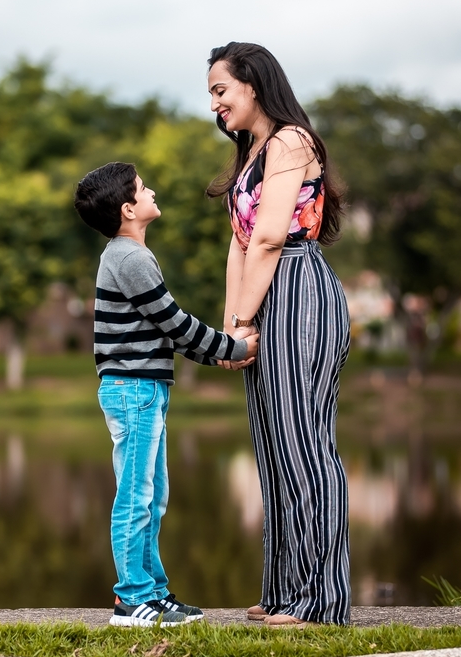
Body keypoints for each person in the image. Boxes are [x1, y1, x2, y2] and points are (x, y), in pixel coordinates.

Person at [74, 161, 259, 627]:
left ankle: (153, 592)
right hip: (133, 391)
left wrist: (216, 356)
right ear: (128, 208)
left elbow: (165, 333)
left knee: (152, 496)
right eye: (142, 188)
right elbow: (174, 322)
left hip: (144, 389)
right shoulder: (130, 258)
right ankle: (130, 599)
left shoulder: (127, 254)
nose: (151, 191)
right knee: (135, 496)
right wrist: (231, 348)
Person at [206, 41, 351, 627]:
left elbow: (269, 239)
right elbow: (238, 247)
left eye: (221, 91)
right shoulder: (252, 154)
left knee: (304, 447)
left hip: (298, 288)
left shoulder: (292, 141)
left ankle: (321, 601)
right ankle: (285, 592)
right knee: (272, 449)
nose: (215, 105)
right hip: (264, 296)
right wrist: (231, 329)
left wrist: (244, 319)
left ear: (254, 84)